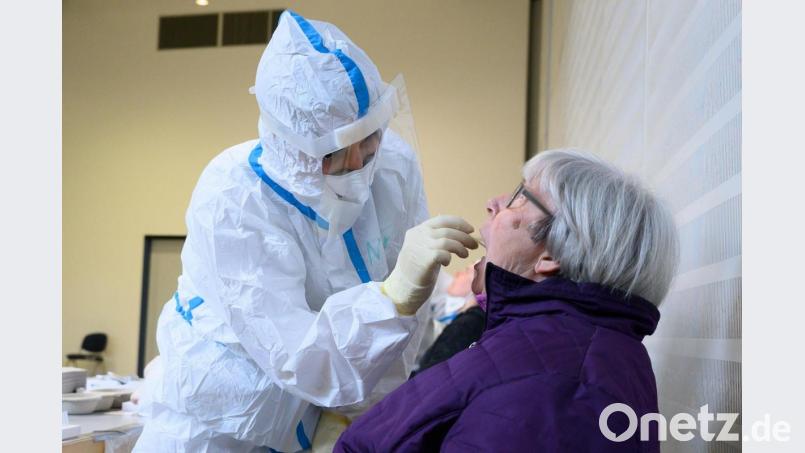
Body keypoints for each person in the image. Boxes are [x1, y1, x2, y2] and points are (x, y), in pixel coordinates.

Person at [134, 10, 477, 453]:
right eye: (339, 152)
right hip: (218, 429)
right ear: (291, 147)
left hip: (317, 423)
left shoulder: (392, 167)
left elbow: (406, 330)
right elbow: (298, 353)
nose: (361, 161)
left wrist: (359, 418)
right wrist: (390, 297)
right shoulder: (235, 198)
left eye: (370, 138)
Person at [335, 149, 680, 452]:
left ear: (551, 254)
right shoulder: (551, 352)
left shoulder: (561, 391)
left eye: (519, 196)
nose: (493, 203)